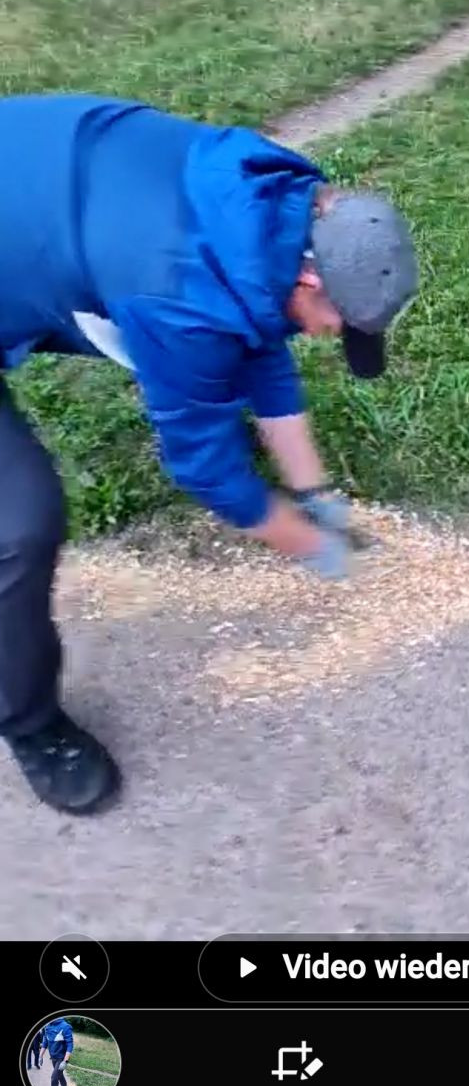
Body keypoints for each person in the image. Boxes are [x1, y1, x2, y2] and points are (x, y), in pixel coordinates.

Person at [0, 94, 418, 817]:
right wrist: (316, 550)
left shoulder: (275, 199)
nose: (330, 336)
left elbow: (258, 328)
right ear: (313, 279)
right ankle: (31, 725)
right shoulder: (178, 292)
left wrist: (314, 494)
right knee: (19, 526)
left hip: (44, 206)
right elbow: (203, 466)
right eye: (338, 323)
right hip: (92, 245)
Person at [43, 1015, 74, 1086]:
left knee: (54, 1077)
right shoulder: (47, 1026)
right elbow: (45, 1042)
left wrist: (65, 1061)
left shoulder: (65, 1026)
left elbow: (70, 1044)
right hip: (53, 1056)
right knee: (59, 1074)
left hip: (62, 1058)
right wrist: (40, 1056)